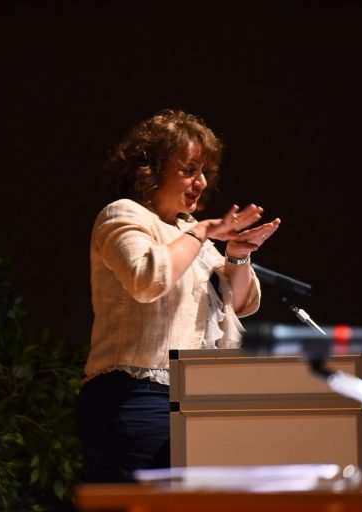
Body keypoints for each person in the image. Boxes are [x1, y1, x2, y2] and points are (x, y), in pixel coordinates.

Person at [76, 109, 281, 483]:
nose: (201, 182)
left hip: (198, 405)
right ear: (151, 170)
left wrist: (237, 255)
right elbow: (147, 279)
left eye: (204, 172)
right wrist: (202, 231)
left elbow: (233, 305)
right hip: (134, 398)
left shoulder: (193, 235)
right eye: (189, 170)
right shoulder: (124, 215)